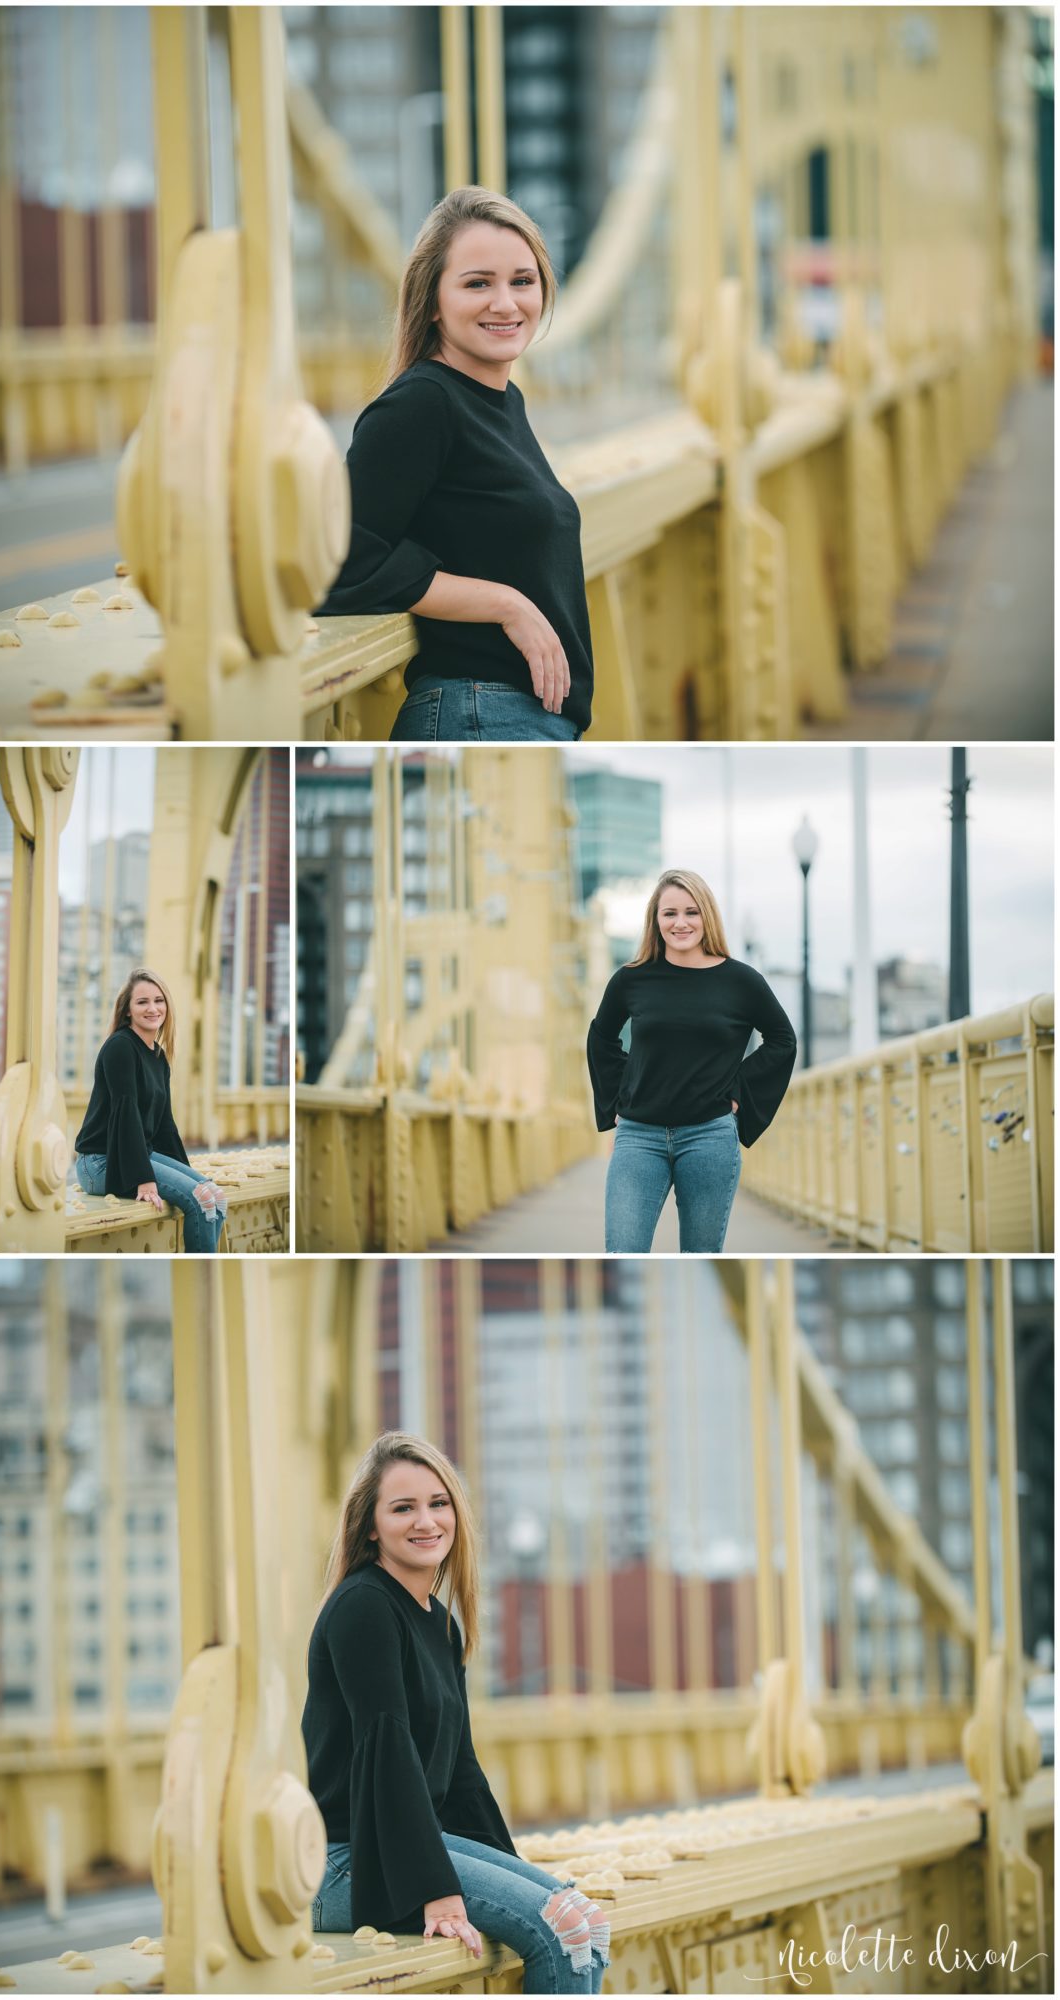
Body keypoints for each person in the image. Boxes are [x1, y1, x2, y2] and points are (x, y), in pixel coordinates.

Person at [303, 1433, 608, 1993]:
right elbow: (386, 1748)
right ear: (371, 1525)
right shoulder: (364, 1606)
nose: (426, 1521)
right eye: (403, 1507)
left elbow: (461, 1771)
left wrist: (512, 1873)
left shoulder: (441, 1626)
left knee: (585, 1919)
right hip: (349, 1861)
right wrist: (435, 1890)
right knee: (560, 1927)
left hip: (405, 1843)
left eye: (438, 1503)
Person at [315, 186, 593, 743]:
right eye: (477, 284)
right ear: (434, 302)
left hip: (516, 717)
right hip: (480, 714)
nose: (506, 304)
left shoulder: (500, 402)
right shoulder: (422, 404)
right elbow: (343, 561)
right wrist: (506, 605)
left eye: (522, 280)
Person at [587, 870, 797, 1253]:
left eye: (691, 912)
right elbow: (601, 1036)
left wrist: (739, 1091)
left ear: (707, 917)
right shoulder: (631, 980)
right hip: (638, 1136)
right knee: (623, 1251)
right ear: (656, 920)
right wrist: (617, 1099)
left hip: (709, 1137)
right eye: (669, 914)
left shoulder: (741, 981)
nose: (680, 923)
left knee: (700, 1256)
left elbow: (782, 1040)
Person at [73, 969, 226, 1253]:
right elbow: (125, 1112)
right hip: (101, 1162)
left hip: (137, 1153)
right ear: (127, 1010)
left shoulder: (158, 1057)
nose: (153, 1008)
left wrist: (185, 1173)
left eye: (159, 1000)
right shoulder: (120, 1047)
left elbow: (165, 1125)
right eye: (142, 1002)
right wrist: (143, 1179)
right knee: (201, 1199)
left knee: (216, 1196)